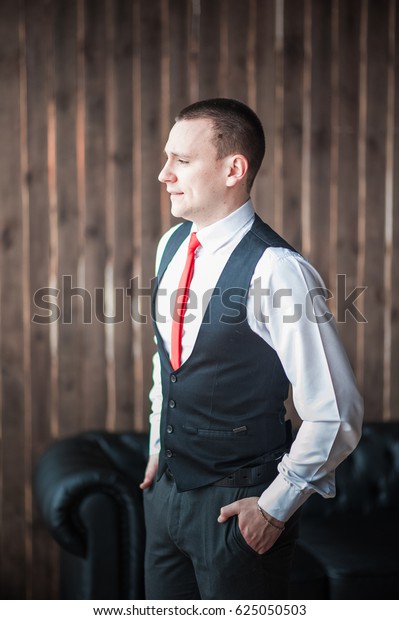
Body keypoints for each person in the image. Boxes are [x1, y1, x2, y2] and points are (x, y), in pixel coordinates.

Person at [140, 98, 363, 600]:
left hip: (238, 510)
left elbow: (337, 411)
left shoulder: (278, 270)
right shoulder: (170, 246)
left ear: (233, 169)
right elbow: (167, 361)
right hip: (165, 501)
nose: (163, 174)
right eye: (166, 158)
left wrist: (274, 507)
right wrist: (158, 446)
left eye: (181, 160)